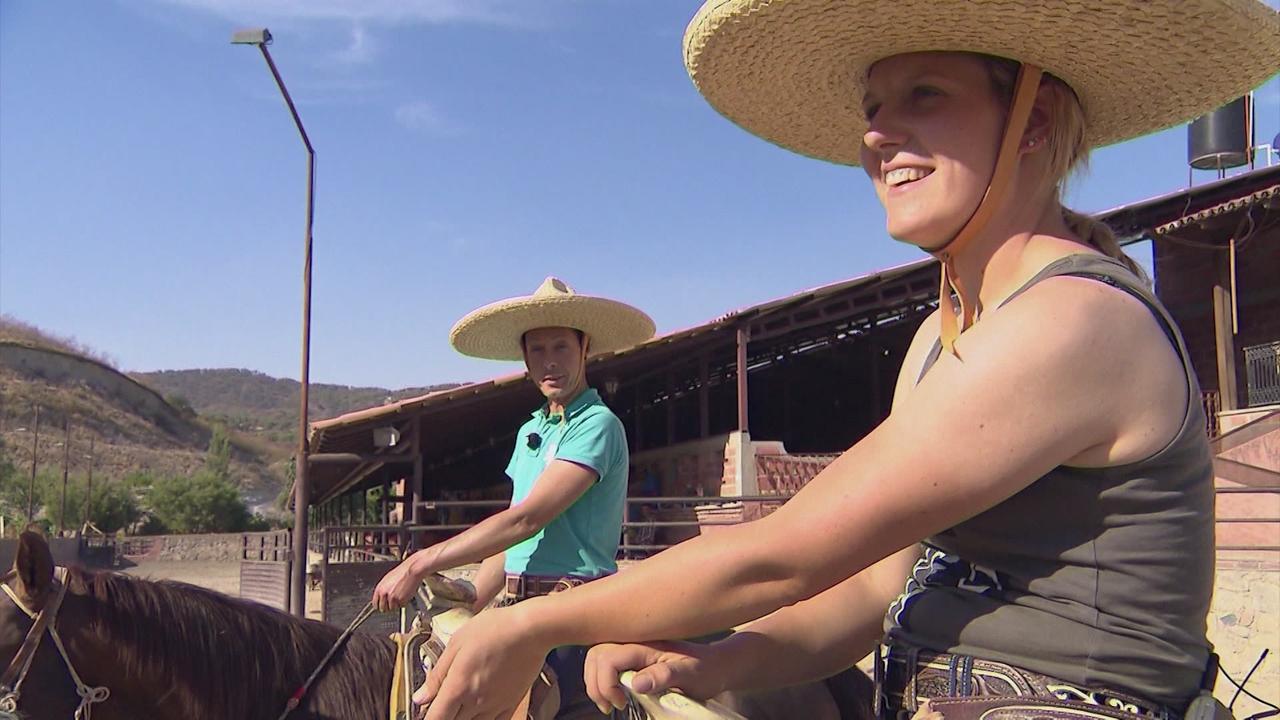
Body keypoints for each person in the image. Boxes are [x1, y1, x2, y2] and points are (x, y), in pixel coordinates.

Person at [413, 3, 1280, 720]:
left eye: (924, 94)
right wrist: (723, 661)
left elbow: (780, 555)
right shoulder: (940, 342)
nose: (876, 133)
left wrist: (527, 629)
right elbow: (867, 591)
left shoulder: (1076, 320)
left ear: (1035, 121)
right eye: (873, 106)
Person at [370, 276, 653, 715]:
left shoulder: (596, 424)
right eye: (537, 350)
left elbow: (527, 520)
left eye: (560, 347)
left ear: (584, 348)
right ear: (524, 357)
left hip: (573, 613)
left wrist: (420, 562)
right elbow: (515, 538)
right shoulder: (531, 431)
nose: (549, 362)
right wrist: (467, 606)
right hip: (518, 608)